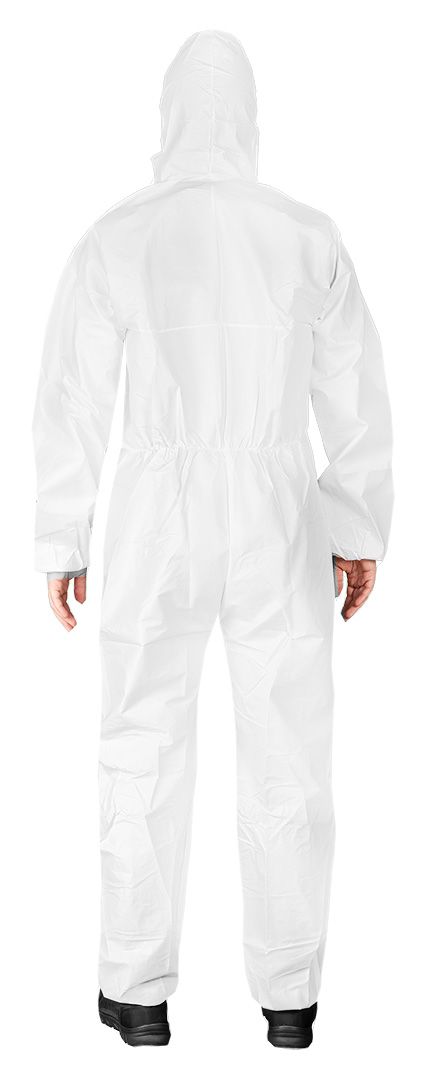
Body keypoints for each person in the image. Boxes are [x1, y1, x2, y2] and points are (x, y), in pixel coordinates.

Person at [33, 29, 393, 1049]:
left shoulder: (119, 236)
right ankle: (288, 1000)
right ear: (249, 116)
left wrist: (63, 536)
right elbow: (354, 392)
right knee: (288, 753)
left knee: (141, 744)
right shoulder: (305, 234)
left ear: (168, 114)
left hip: (157, 510)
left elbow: (71, 395)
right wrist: (356, 525)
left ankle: (136, 992)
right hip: (277, 508)